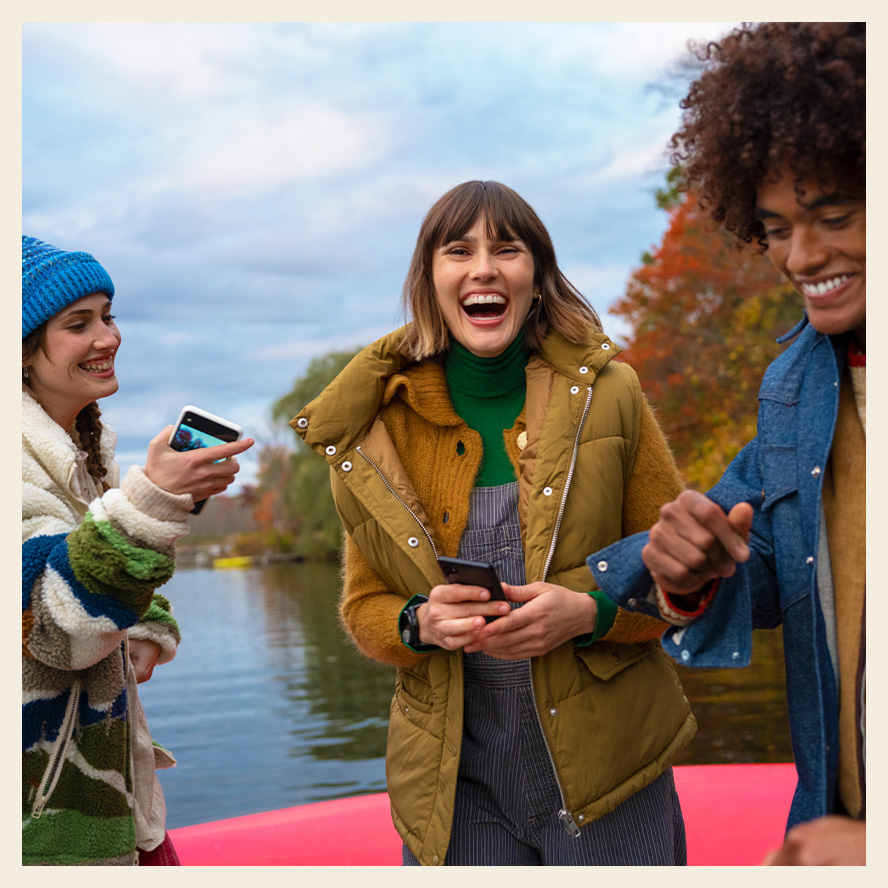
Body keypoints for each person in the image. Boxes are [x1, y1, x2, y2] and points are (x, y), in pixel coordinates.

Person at [292, 181, 696, 866]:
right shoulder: (373, 432)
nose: (483, 268)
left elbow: (684, 581)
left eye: (506, 249)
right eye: (459, 251)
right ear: (430, 281)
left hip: (610, 776)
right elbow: (364, 607)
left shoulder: (612, 396)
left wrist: (589, 613)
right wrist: (417, 623)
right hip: (455, 789)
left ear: (535, 278)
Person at [587, 22, 865, 866]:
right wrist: (687, 571)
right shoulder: (794, 384)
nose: (801, 256)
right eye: (776, 227)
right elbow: (786, 570)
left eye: (834, 215)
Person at [22, 235, 254, 865]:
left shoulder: (83, 452)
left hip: (109, 801)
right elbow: (51, 627)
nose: (109, 337)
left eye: (108, 314)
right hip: (41, 832)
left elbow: (84, 564)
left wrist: (147, 619)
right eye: (78, 324)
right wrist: (152, 502)